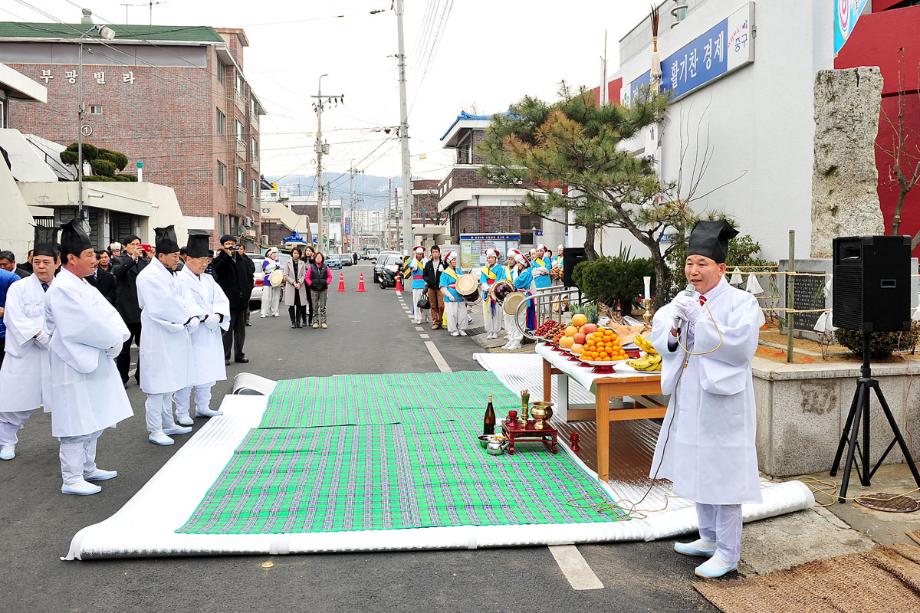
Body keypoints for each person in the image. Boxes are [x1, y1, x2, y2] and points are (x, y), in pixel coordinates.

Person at [650, 221, 763, 579]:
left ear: (721, 269)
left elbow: (742, 348)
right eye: (689, 263)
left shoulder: (742, 302)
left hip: (723, 402)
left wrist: (703, 323)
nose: (694, 271)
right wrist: (674, 328)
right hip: (691, 396)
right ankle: (709, 537)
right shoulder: (682, 300)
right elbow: (662, 340)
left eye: (702, 264)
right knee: (697, 464)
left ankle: (729, 551)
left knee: (724, 472)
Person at [45, 220, 132, 495]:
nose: (95, 261)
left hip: (93, 358)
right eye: (89, 256)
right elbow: (81, 326)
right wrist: (112, 341)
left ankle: (87, 467)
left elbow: (108, 315)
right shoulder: (62, 289)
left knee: (93, 416)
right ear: (71, 259)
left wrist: (119, 336)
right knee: (75, 418)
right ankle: (71, 478)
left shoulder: (82, 284)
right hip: (73, 363)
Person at [136, 226, 199, 446]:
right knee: (157, 385)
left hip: (174, 333)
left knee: (169, 382)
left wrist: (189, 315)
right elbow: (162, 306)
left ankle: (168, 422)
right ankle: (155, 428)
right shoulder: (149, 276)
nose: (177, 260)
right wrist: (185, 316)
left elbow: (184, 300)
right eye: (174, 256)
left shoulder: (171, 274)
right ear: (160, 256)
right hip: (158, 334)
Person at [0, 240, 58, 461]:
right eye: (36, 262)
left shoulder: (63, 287)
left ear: (57, 262)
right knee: (15, 399)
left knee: (64, 398)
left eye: (45, 262)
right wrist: (39, 334)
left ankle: (71, 439)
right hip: (26, 351)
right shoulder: (19, 287)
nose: (40, 266)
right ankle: (6, 441)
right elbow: (12, 317)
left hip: (56, 352)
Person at [174, 234, 229, 425]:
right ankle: (181, 411)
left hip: (209, 333)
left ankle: (203, 406)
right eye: (200, 260)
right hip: (192, 332)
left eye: (206, 260)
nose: (204, 264)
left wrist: (219, 315)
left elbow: (221, 300)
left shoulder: (208, 279)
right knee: (187, 372)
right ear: (188, 259)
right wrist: (201, 316)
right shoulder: (178, 279)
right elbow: (181, 303)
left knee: (207, 369)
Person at [112, 234, 149, 385]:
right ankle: (122, 377)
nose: (136, 247)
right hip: (126, 310)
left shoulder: (144, 262)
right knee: (124, 348)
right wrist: (132, 259)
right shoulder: (118, 260)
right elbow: (118, 272)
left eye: (138, 244)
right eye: (133, 244)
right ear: (125, 246)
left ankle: (142, 376)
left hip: (141, 310)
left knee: (145, 347)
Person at [212, 235, 251, 365]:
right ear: (223, 245)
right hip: (228, 301)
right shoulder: (219, 260)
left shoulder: (241, 260)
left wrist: (246, 294)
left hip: (241, 301)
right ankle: (225, 355)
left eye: (232, 243)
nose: (230, 245)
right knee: (227, 330)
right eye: (227, 243)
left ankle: (239, 354)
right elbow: (218, 271)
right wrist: (227, 256)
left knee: (240, 331)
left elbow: (247, 278)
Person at [501, 252, 533, 350]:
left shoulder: (526, 273)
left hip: (522, 297)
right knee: (510, 318)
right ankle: (511, 339)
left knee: (519, 320)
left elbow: (517, 283)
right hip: (515, 297)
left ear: (523, 264)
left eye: (518, 263)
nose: (517, 265)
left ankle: (517, 341)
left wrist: (514, 273)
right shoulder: (519, 272)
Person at [439, 251, 467, 337]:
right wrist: (449, 295)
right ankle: (453, 330)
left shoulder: (459, 271)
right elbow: (443, 287)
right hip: (451, 297)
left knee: (463, 313)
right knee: (452, 314)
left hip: (460, 296)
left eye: (455, 260)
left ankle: (461, 329)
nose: (455, 261)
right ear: (449, 261)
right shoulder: (445, 273)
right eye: (453, 260)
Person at [479, 248, 505, 340]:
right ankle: (490, 330)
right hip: (487, 293)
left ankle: (496, 331)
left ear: (495, 258)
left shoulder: (500, 269)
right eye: (488, 258)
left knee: (497, 312)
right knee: (487, 312)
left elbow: (499, 280)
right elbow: (482, 280)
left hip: (496, 293)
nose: (489, 259)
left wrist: (492, 288)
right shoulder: (484, 269)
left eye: (491, 258)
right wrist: (487, 288)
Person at [305, 251, 332, 329]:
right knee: (314, 306)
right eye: (317, 257)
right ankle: (315, 322)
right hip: (314, 289)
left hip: (323, 289)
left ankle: (323, 322)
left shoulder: (325, 267)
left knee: (323, 307)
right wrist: (311, 284)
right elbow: (307, 277)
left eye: (320, 257)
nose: (318, 259)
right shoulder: (311, 267)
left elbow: (330, 277)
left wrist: (326, 282)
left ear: (322, 258)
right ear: (314, 258)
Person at [283, 247, 308, 328]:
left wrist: (300, 283)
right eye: (294, 253)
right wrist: (294, 282)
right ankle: (293, 322)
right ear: (292, 254)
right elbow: (285, 275)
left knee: (299, 304)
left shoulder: (302, 263)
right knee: (291, 305)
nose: (296, 255)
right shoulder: (287, 263)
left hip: (300, 286)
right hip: (291, 286)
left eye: (297, 253)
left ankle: (298, 321)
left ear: (299, 254)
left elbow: (304, 275)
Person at [0, 266, 20, 369]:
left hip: (5, 334)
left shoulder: (10, 278)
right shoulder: (11, 277)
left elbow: (21, 307)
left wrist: (5, 311)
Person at [423, 245, 445, 330]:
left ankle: (442, 321)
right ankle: (435, 322)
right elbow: (424, 275)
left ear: (439, 253)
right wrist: (429, 280)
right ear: (431, 254)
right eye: (433, 252)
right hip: (431, 287)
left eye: (436, 252)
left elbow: (447, 273)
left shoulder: (443, 263)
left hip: (440, 287)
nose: (435, 254)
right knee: (433, 305)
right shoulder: (428, 264)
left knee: (441, 305)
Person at [259, 247, 282, 318]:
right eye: (273, 253)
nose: (275, 255)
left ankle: (275, 311)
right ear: (269, 254)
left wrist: (275, 266)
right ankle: (264, 312)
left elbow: (279, 267)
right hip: (267, 280)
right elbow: (267, 268)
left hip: (276, 279)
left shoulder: (277, 261)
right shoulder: (265, 261)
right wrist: (275, 265)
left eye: (276, 253)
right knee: (266, 297)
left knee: (276, 296)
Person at [409, 246, 428, 325]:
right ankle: (418, 317)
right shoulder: (412, 262)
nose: (419, 255)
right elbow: (412, 269)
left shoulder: (426, 262)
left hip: (424, 284)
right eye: (418, 254)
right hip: (416, 285)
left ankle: (426, 316)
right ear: (416, 254)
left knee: (426, 302)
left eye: (421, 254)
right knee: (416, 302)